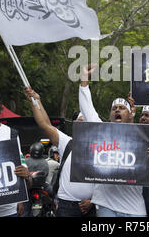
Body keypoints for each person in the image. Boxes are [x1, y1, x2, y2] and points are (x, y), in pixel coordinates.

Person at [79, 63, 149, 217]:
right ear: (110, 115)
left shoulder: (141, 137)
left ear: (130, 115)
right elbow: (87, 108)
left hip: (134, 208)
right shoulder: (100, 131)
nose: (117, 109)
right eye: (114, 108)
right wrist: (84, 80)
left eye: (122, 108)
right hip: (105, 205)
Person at [24, 86, 96, 217]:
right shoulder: (67, 142)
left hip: (91, 207)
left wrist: (93, 201)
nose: (82, 125)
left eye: (86, 122)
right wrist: (36, 101)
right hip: (66, 206)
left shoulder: (103, 147)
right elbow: (44, 124)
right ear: (74, 125)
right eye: (79, 122)